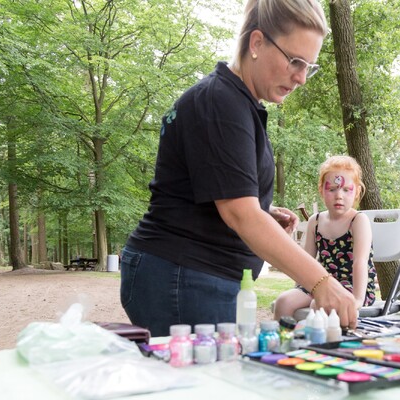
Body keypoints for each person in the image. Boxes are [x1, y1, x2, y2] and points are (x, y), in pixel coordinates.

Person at [120, 0, 358, 337]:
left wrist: (263, 210)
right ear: (257, 43)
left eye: (310, 67)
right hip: (183, 275)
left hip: (191, 272)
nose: (302, 78)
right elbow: (240, 215)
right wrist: (322, 282)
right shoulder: (221, 103)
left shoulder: (234, 102)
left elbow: (215, 192)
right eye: (295, 61)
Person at [273, 155, 377, 320]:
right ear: (321, 190)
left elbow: (360, 262)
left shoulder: (358, 220)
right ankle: (286, 343)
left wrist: (358, 299)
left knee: (319, 305)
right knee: (283, 301)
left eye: (345, 189)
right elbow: (306, 261)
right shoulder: (315, 221)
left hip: (353, 286)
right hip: (321, 283)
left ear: (357, 191)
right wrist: (299, 289)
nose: (339, 196)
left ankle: (319, 344)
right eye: (332, 189)